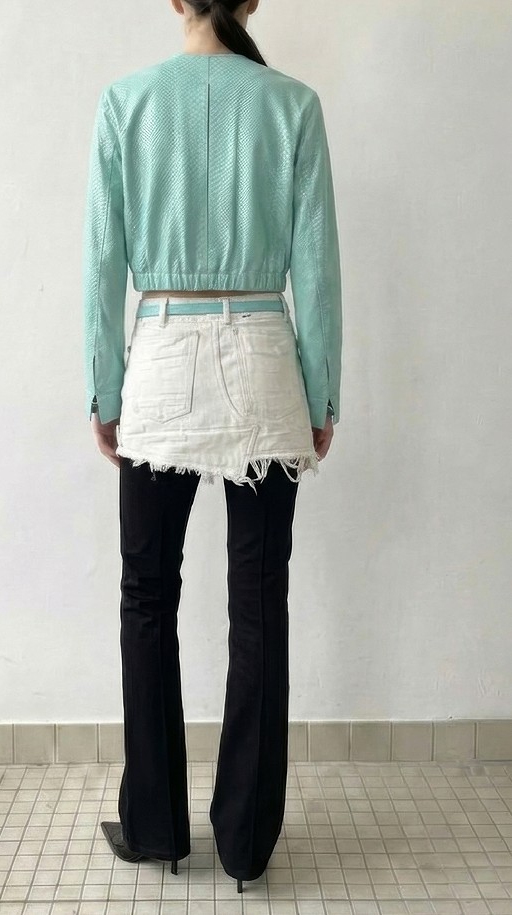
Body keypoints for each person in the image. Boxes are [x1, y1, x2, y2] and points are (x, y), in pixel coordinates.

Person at [82, 0, 343, 893]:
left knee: (147, 595)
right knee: (259, 599)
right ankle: (246, 842)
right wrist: (322, 388)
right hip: (266, 362)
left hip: (160, 361)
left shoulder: (126, 103)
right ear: (252, 1)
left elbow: (103, 262)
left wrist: (103, 386)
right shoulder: (293, 105)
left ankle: (156, 825)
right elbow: (317, 267)